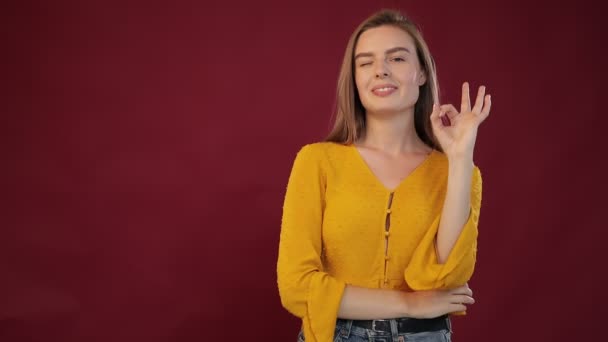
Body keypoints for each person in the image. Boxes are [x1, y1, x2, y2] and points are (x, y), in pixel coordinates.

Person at [277, 8, 491, 342]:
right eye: (365, 62)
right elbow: (296, 287)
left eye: (397, 59)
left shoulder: (459, 173)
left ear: (422, 73)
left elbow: (446, 278)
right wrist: (409, 303)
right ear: (355, 79)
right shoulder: (317, 161)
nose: (380, 71)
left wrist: (460, 158)